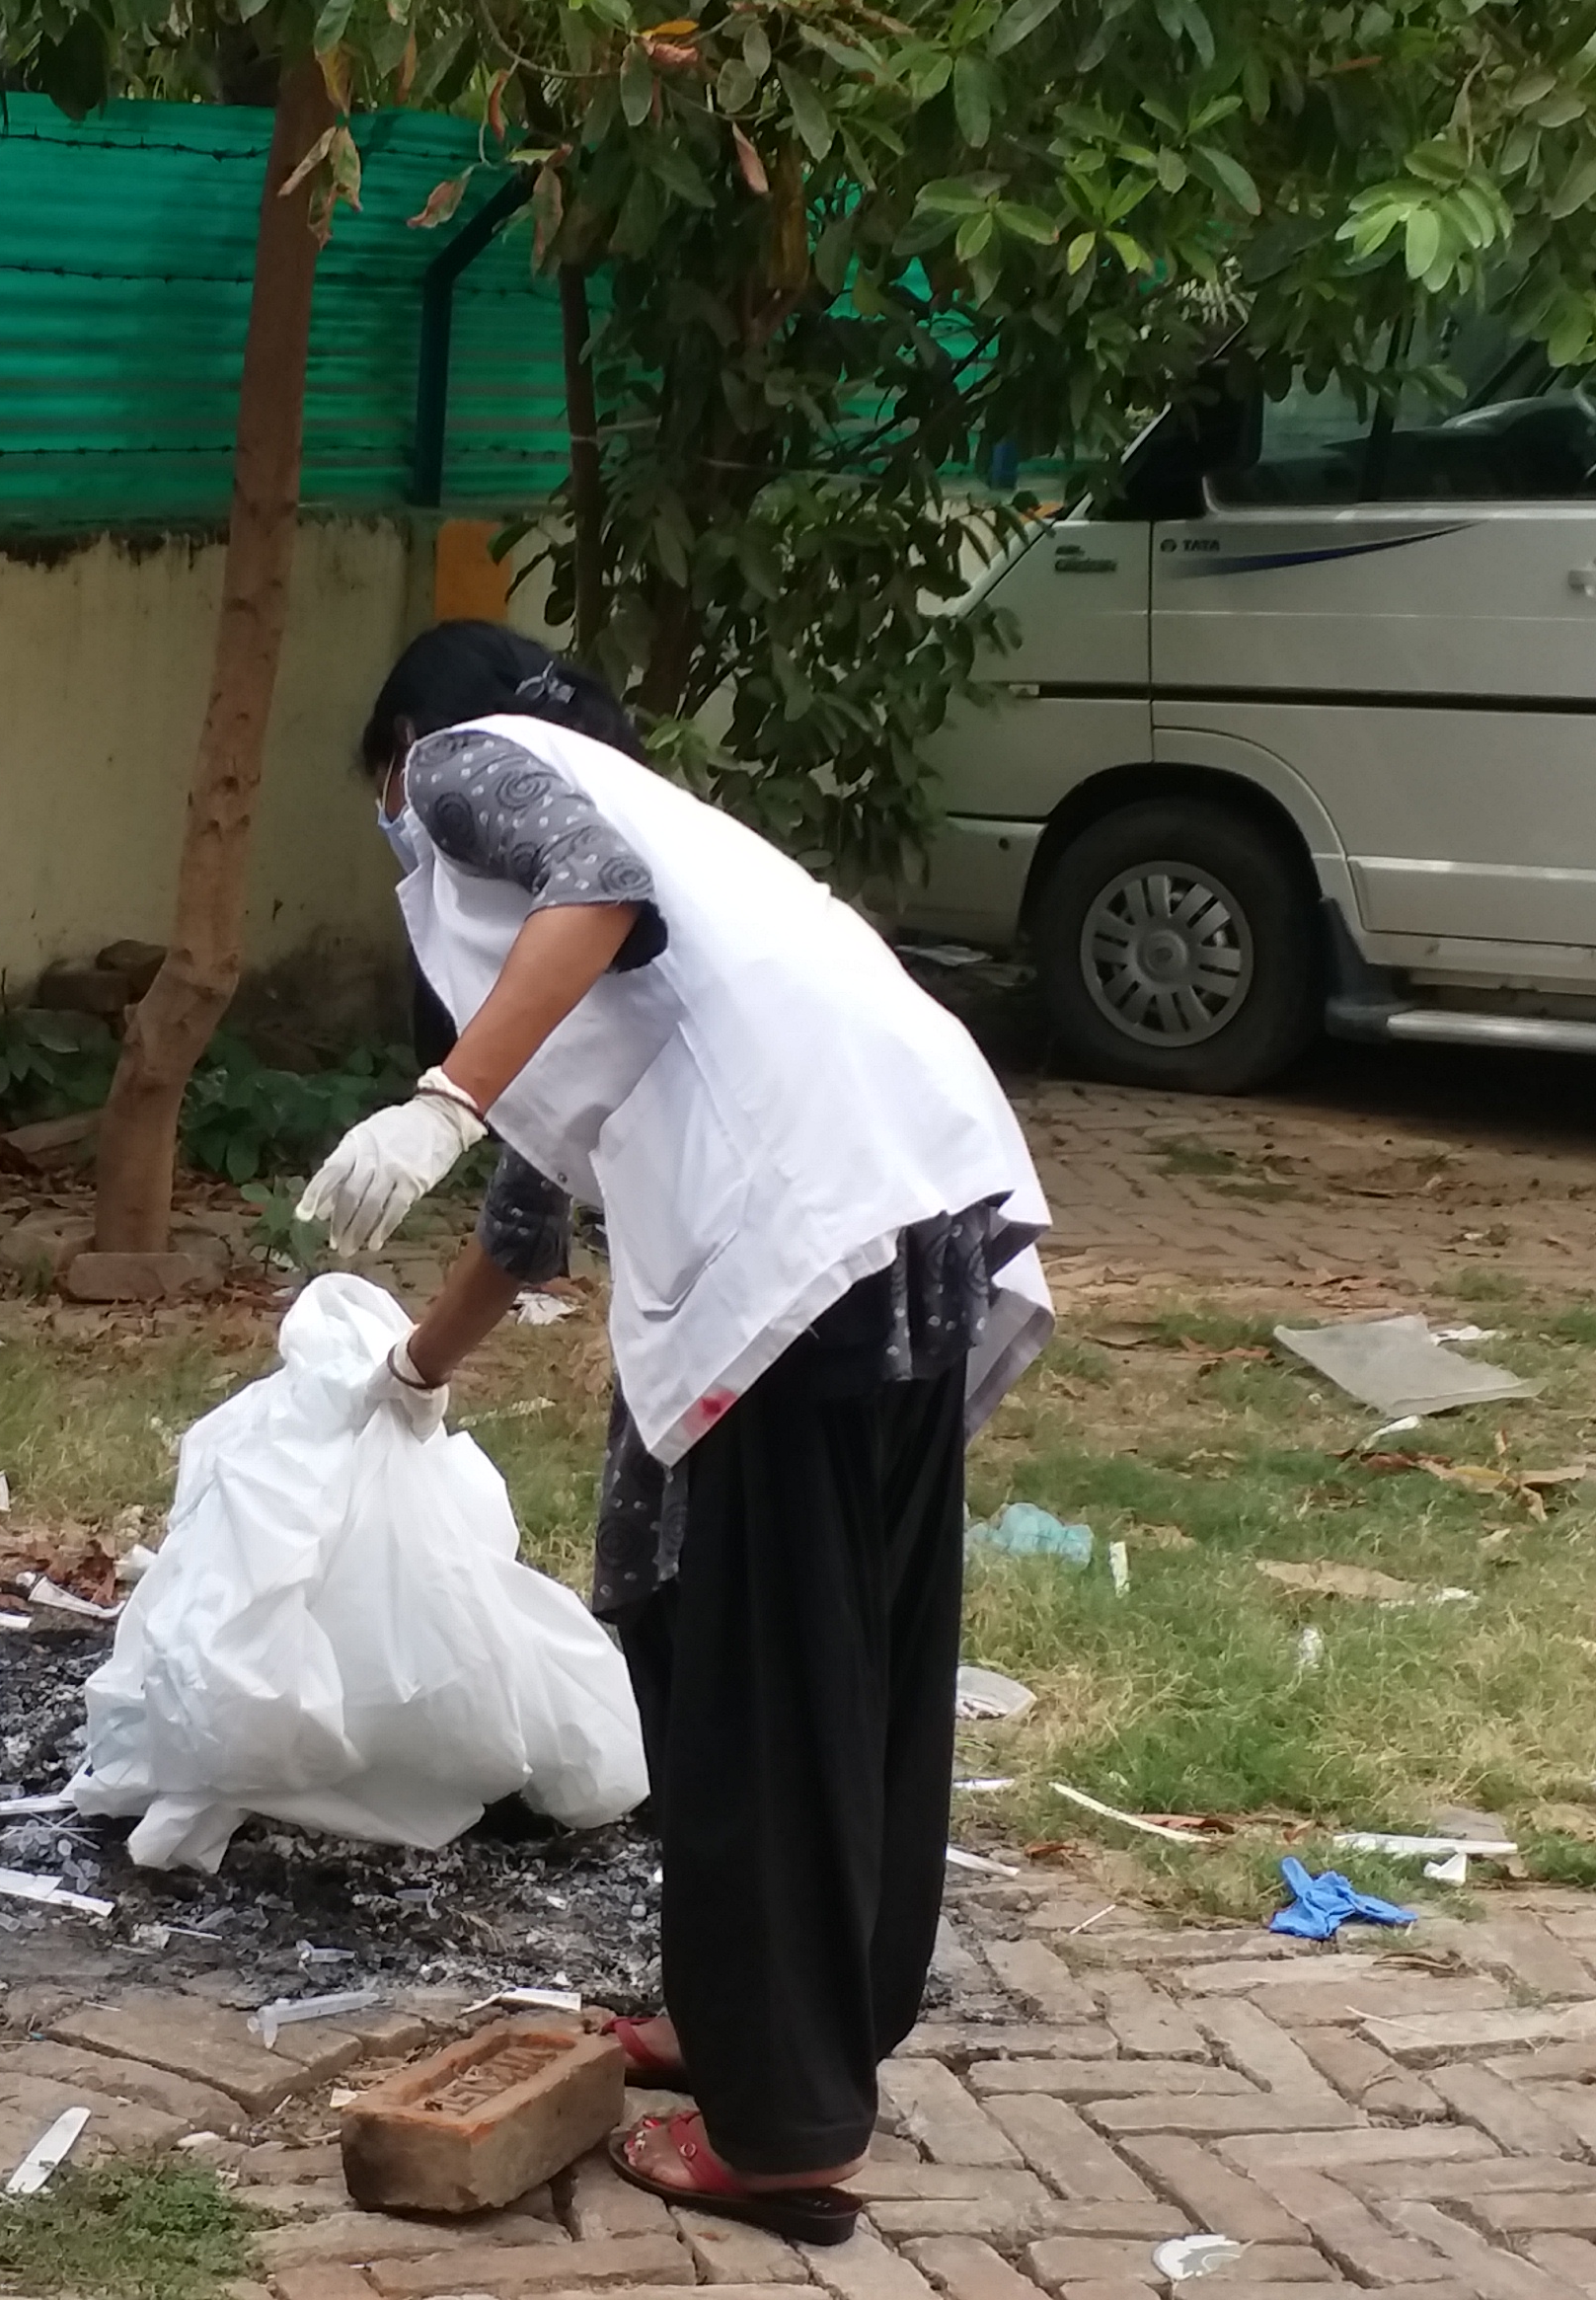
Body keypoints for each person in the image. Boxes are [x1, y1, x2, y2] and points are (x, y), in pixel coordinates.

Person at [296, 622, 1050, 2244]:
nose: (399, 820)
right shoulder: (701, 896)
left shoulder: (472, 764)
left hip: (808, 1234)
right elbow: (530, 1208)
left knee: (764, 1679)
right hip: (916, 1207)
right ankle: (773, 2024)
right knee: (847, 1652)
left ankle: (781, 2127)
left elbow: (594, 889)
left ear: (402, 746)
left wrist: (438, 1089)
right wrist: (413, 1371)